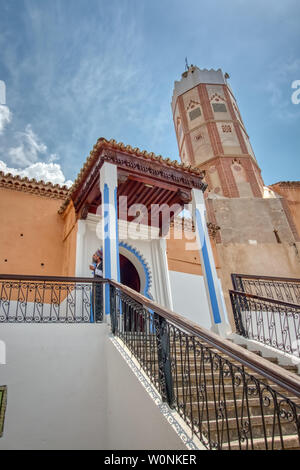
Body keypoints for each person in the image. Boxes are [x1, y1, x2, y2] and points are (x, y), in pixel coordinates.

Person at [90, 249, 103, 322]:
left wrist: (94, 269)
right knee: (94, 301)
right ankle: (95, 318)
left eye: (94, 255)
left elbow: (104, 274)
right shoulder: (97, 265)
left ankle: (99, 318)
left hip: (99, 287)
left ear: (98, 257)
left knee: (98, 301)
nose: (93, 256)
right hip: (95, 286)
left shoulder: (102, 264)